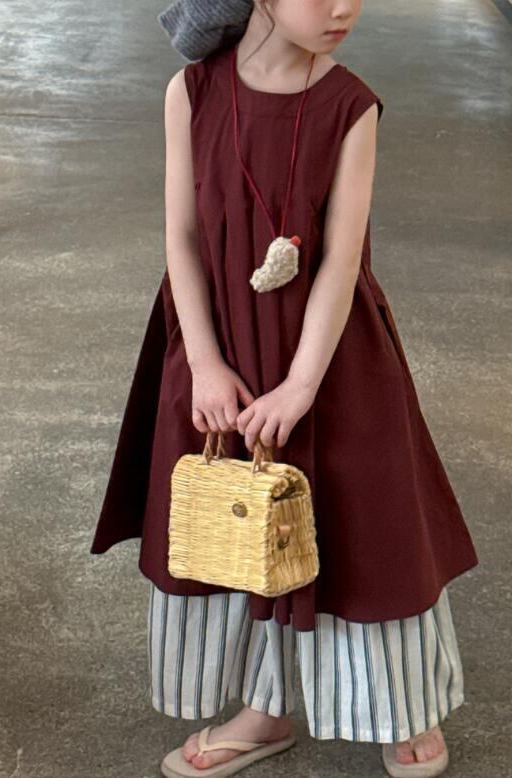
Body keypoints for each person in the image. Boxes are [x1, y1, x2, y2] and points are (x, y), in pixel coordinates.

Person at [89, 1, 480, 776]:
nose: (343, 7)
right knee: (236, 529)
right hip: (221, 349)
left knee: (366, 531)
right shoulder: (191, 93)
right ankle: (265, 708)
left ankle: (403, 704)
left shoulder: (351, 106)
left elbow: (341, 259)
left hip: (330, 361)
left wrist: (301, 385)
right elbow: (182, 238)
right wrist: (204, 363)